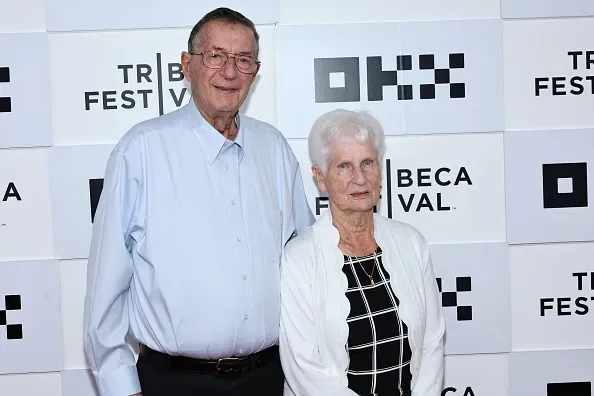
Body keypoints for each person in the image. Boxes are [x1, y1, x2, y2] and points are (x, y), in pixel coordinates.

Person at [83, 7, 315, 396]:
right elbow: (106, 284)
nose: (229, 71)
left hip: (269, 379)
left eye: (243, 60)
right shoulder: (141, 150)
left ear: (255, 73)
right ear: (187, 65)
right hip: (173, 383)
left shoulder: (274, 150)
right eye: (216, 56)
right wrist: (120, 387)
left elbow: (305, 264)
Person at [278, 109, 445, 396]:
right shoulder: (299, 259)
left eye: (367, 162)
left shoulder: (412, 243)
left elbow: (432, 343)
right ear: (320, 178)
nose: (360, 178)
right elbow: (304, 367)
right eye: (344, 166)